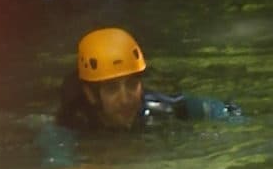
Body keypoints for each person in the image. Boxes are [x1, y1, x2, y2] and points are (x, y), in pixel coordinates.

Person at [53, 26, 241, 135]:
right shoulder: (74, 121)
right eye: (111, 89)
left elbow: (217, 109)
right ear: (91, 95)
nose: (125, 99)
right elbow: (56, 150)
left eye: (132, 84)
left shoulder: (158, 107)